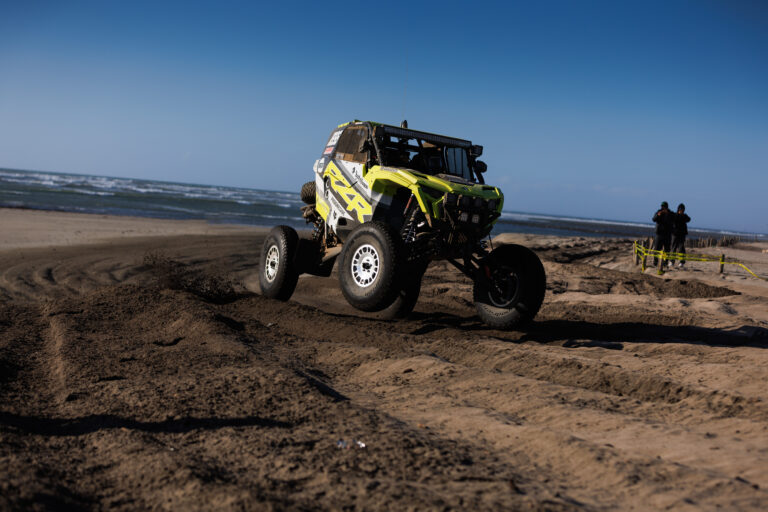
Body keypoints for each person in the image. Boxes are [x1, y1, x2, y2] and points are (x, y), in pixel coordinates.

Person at [652, 201, 674, 266]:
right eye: (662, 207)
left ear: (667, 207)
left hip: (667, 234)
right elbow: (653, 219)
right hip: (659, 234)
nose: (663, 208)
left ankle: (665, 262)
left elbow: (674, 219)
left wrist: (668, 214)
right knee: (656, 249)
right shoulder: (659, 212)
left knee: (667, 249)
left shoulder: (671, 213)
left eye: (664, 207)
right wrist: (658, 215)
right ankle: (655, 261)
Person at [670, 203, 690, 268]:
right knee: (673, 248)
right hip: (675, 234)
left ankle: (682, 262)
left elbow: (689, 219)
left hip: (682, 235)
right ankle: (672, 261)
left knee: (681, 248)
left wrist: (683, 215)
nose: (681, 211)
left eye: (683, 210)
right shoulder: (675, 215)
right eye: (680, 209)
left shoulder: (684, 216)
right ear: (678, 209)